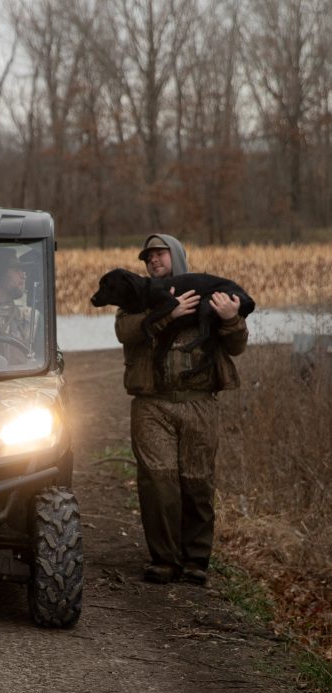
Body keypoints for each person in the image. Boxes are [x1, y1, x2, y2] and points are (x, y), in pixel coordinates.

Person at [115, 233, 248, 586]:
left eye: (160, 255)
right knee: (157, 481)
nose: (153, 261)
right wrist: (167, 315)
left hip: (199, 403)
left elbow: (236, 346)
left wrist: (232, 318)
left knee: (197, 481)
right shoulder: (136, 297)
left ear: (177, 256)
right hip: (152, 404)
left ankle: (196, 561)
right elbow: (125, 331)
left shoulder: (209, 292)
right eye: (148, 257)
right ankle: (164, 560)